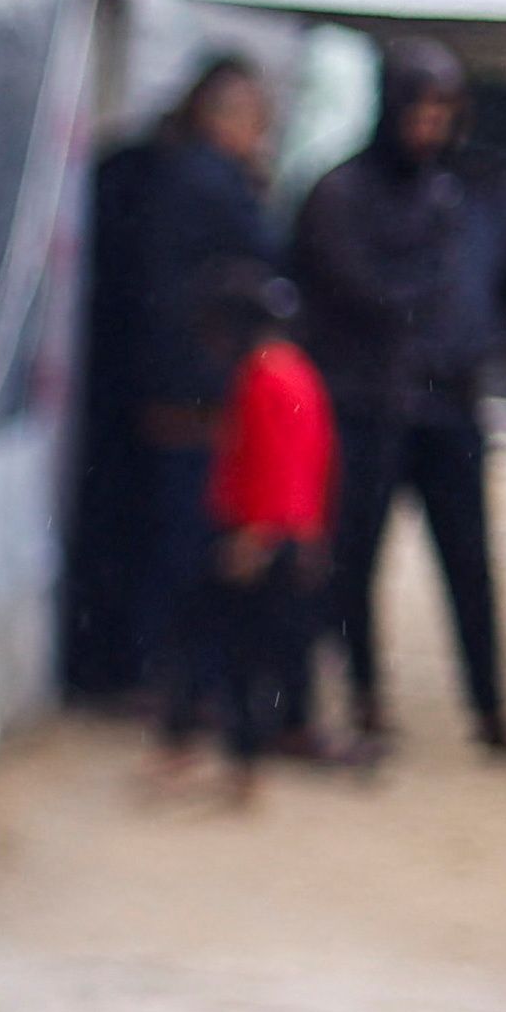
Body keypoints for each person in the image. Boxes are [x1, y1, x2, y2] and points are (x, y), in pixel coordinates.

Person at [293, 34, 506, 759]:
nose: (430, 122)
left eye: (444, 107)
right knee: (355, 559)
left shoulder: (473, 190)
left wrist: (479, 342)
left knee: (468, 560)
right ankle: (366, 694)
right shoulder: (343, 192)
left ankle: (491, 707)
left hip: (449, 403)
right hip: (368, 403)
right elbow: (357, 289)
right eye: (420, 104)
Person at [72, 56, 280, 712]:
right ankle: (167, 677)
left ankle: (151, 670)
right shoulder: (205, 183)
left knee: (166, 536)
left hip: (165, 385)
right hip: (189, 394)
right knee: (182, 541)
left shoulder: (166, 173)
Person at [165, 264, 337, 801]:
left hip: (258, 537)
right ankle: (223, 755)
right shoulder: (294, 371)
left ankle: (230, 760)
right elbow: (316, 460)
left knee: (232, 653)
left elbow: (278, 463)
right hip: (284, 532)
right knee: (259, 651)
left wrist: (256, 537)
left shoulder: (267, 378)